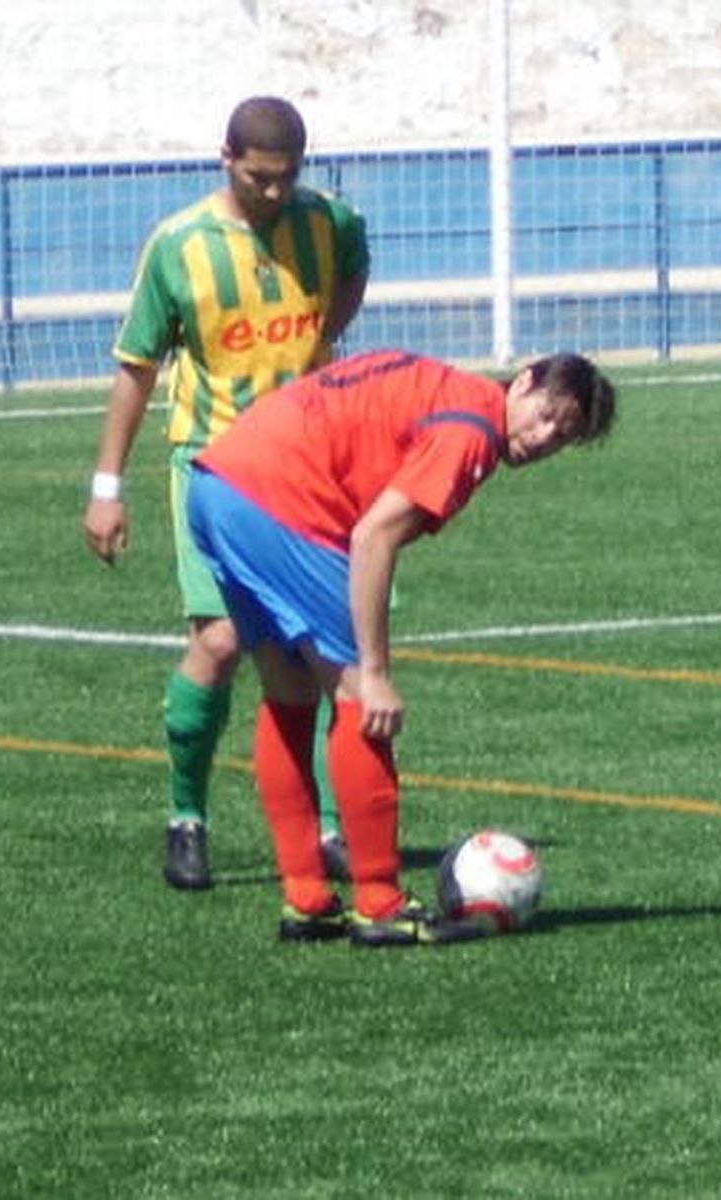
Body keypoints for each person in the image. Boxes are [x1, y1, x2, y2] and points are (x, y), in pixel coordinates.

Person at [187, 348, 617, 945]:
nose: (544, 439)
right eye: (545, 415)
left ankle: (308, 900)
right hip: (279, 498)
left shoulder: (450, 392)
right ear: (521, 382)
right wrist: (377, 670)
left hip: (218, 485)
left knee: (288, 692)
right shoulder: (470, 427)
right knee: (364, 701)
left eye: (562, 436)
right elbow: (374, 536)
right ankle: (380, 901)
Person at [83, 96, 370, 890]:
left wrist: (324, 338)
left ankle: (334, 830)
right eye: (258, 177)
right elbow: (137, 367)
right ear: (226, 157)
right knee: (219, 643)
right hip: (212, 471)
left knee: (322, 647)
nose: (274, 193)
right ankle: (187, 817)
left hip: (309, 469)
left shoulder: (333, 222)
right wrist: (107, 487)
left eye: (286, 179)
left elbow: (352, 272)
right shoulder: (179, 246)